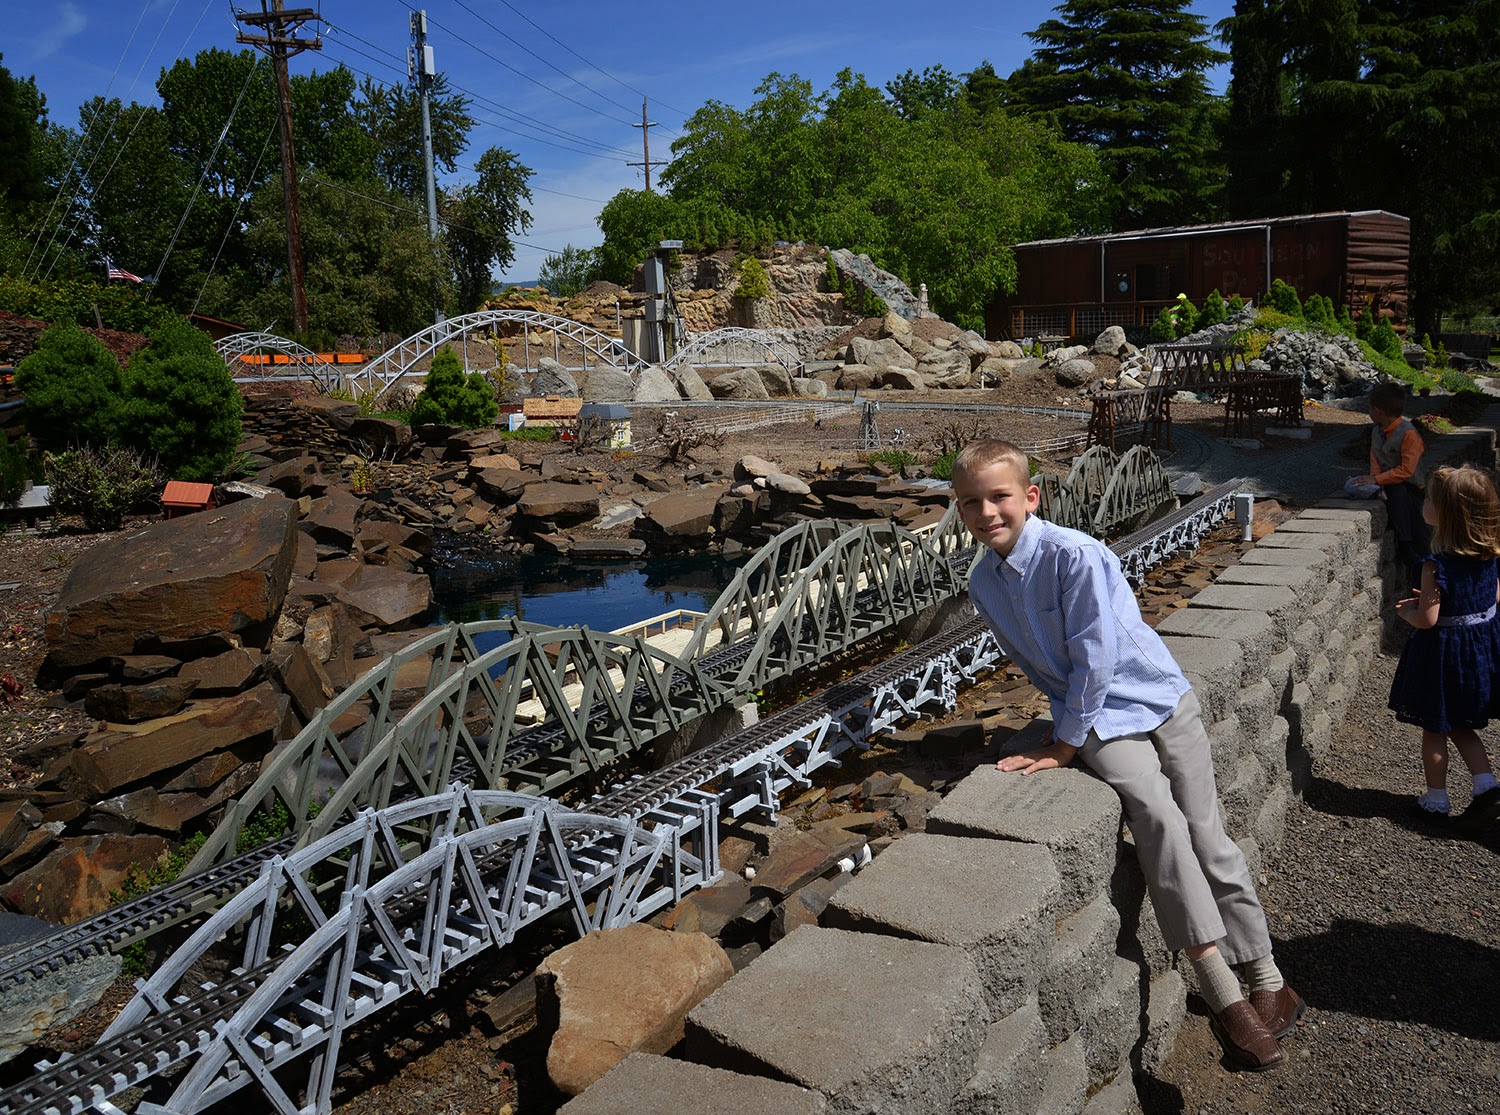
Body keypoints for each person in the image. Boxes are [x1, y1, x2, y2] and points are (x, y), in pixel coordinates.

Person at [951, 439, 1300, 1072]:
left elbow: (1097, 655)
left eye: (1000, 496)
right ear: (960, 509)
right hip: (1101, 720)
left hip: (1158, 696)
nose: (988, 512)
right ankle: (1223, 994)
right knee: (1157, 818)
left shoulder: (1075, 555)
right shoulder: (983, 582)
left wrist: (1062, 742)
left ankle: (1270, 978)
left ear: (1030, 497)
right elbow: (1042, 667)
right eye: (971, 502)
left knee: (1208, 835)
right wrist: (1071, 732)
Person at [1389, 465, 1500, 835]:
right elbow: (1494, 596)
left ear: (1447, 515)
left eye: (1430, 500)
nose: (1424, 502)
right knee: (1462, 724)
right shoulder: (1489, 553)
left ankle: (1436, 800)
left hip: (1444, 657)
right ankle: (1486, 785)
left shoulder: (1435, 566)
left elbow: (1428, 620)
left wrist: (1408, 611)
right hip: (1478, 652)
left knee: (1435, 728)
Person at [1348, 382, 1430, 580]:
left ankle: (1411, 550)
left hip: (1413, 487)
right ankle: (1409, 549)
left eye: (1369, 409)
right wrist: (1374, 481)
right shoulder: (1377, 432)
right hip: (1389, 485)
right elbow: (1375, 458)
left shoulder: (1409, 433)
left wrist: (1377, 478)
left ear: (1377, 410)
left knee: (1415, 522)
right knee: (1390, 493)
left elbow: (1406, 470)